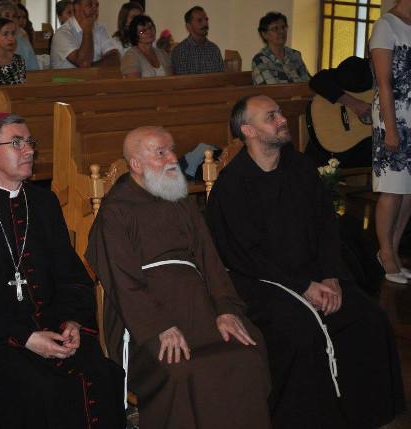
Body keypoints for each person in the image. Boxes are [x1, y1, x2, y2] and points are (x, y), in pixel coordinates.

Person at [205, 95, 406, 429]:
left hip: (316, 275)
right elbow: (244, 255)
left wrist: (331, 276)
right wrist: (302, 287)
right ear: (248, 131)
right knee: (301, 332)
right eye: (271, 117)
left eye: (280, 113)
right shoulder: (233, 185)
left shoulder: (300, 167)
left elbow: (327, 228)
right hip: (262, 283)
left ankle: (366, 416)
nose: (283, 119)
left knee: (367, 318)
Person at [0, 113, 125, 429]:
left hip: (54, 326)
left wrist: (72, 321)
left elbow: (71, 275)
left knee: (102, 374)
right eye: (17, 143)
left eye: (29, 142)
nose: (29, 150)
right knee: (42, 389)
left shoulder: (44, 203)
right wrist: (26, 338)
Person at [85, 126, 271, 429]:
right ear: (136, 164)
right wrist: (157, 327)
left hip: (201, 307)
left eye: (171, 149)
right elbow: (121, 282)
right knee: (181, 369)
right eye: (161, 153)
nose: (173, 158)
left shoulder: (181, 201)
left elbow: (210, 261)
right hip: (144, 321)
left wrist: (225, 308)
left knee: (248, 352)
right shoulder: (115, 212)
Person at [370, 0, 411, 284]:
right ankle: (384, 253)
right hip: (393, 115)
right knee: (393, 188)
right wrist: (391, 130)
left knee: (408, 191)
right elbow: (384, 82)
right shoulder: (386, 26)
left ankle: (394, 251)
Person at [307, 56, 373, 168]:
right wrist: (354, 103)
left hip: (368, 151)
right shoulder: (357, 67)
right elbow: (318, 80)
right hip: (336, 149)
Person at [50, 0, 119, 69]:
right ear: (77, 7)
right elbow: (84, 63)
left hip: (93, 76)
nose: (95, 8)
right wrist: (87, 29)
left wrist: (90, 67)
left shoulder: (100, 28)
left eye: (97, 5)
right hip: (65, 76)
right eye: (90, 4)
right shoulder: (62, 33)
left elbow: (115, 60)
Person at [0, 1, 39, 71]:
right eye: (7, 16)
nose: (11, 19)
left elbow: (34, 68)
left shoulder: (22, 37)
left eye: (14, 16)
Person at [251, 11, 310, 85]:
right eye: (275, 29)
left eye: (283, 27)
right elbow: (272, 89)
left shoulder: (295, 55)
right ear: (264, 34)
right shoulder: (260, 60)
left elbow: (307, 82)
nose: (281, 31)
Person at [171, 5, 224, 75]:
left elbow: (222, 78)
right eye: (200, 20)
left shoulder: (214, 49)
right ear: (188, 26)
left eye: (206, 19)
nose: (205, 23)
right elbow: (183, 81)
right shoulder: (180, 51)